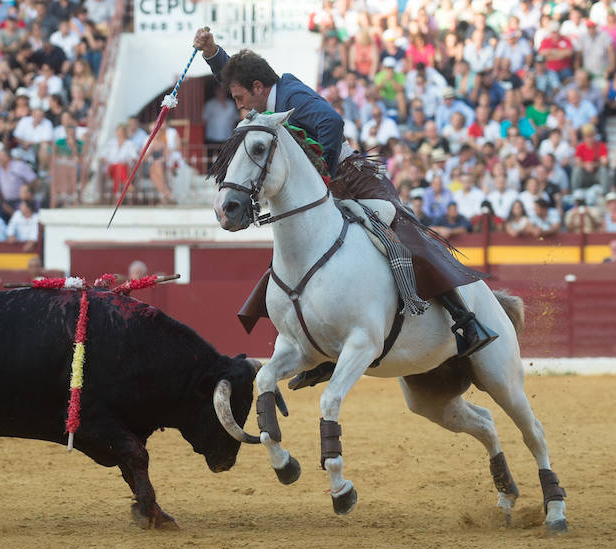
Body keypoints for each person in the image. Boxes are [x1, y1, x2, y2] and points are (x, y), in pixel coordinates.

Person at [194, 27, 496, 372]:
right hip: (328, 183)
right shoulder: (266, 99)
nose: (239, 105)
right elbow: (239, 75)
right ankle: (320, 346)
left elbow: (331, 123)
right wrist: (213, 52)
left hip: (356, 177)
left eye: (239, 97)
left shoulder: (291, 95)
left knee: (403, 232)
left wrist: (324, 170)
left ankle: (466, 320)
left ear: (258, 89)